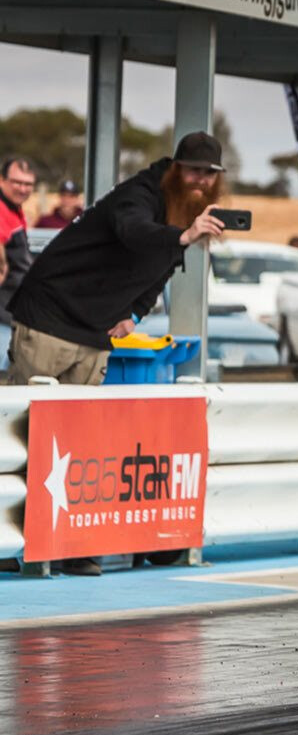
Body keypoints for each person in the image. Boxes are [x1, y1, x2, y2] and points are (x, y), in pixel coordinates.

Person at [6, 132, 228, 575]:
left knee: (76, 445)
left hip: (94, 333)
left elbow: (162, 267)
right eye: (193, 170)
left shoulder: (181, 213)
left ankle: (68, 548)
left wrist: (135, 314)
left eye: (209, 174)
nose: (200, 181)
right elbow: (135, 234)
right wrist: (184, 234)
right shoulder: (139, 194)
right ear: (175, 168)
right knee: (21, 439)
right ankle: (9, 545)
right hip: (49, 319)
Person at [0, 157, 37, 370]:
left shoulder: (15, 209)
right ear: (2, 180)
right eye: (17, 182)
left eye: (28, 184)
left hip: (11, 314)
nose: (22, 189)